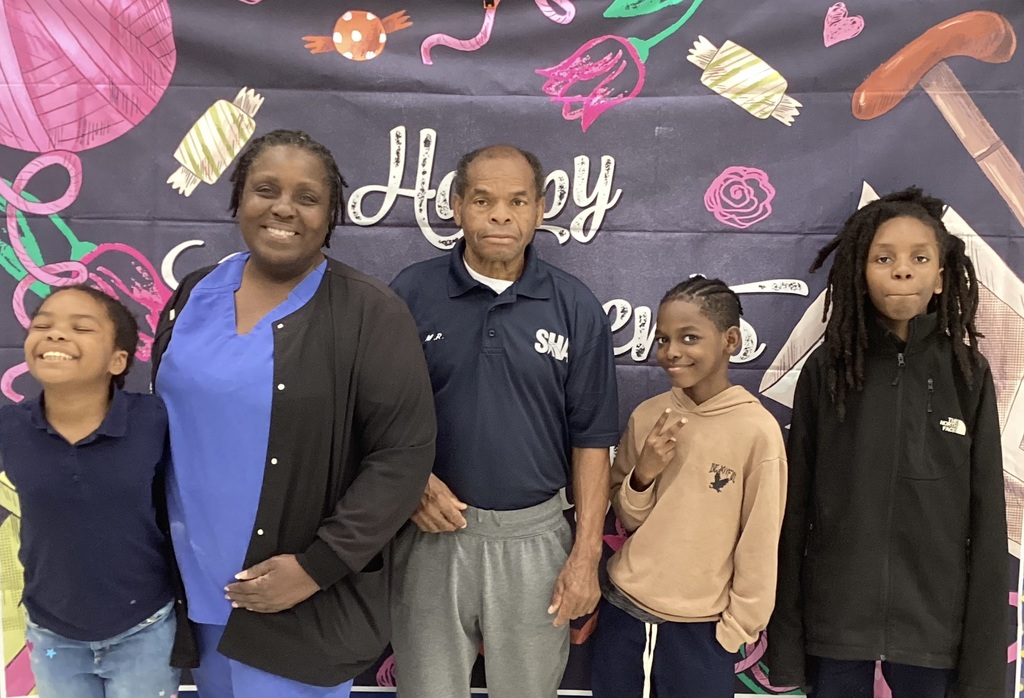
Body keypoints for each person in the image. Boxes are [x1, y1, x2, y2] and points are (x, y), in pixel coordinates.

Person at [151, 129, 436, 697]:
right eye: (265, 189)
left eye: (307, 198)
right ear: (238, 200)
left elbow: (402, 456)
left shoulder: (368, 313)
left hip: (295, 602)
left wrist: (316, 567)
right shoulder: (192, 292)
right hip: (193, 587)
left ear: (331, 216)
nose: (284, 208)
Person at [389, 144, 619, 698]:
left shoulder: (574, 305)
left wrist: (586, 555)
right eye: (483, 199)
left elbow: (592, 442)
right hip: (430, 536)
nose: (500, 214)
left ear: (540, 210)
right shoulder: (410, 295)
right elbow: (375, 418)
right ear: (456, 205)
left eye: (517, 200)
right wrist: (412, 483)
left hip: (535, 542)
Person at [765, 187, 1007, 698]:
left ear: (941, 277)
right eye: (884, 258)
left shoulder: (968, 376)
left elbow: (988, 522)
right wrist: (787, 643)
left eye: (920, 258)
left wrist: (983, 671)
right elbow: (793, 510)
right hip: (835, 626)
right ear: (861, 271)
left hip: (934, 627)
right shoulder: (828, 370)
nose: (902, 270)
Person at [590, 276, 788, 698]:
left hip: (702, 633)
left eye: (690, 337)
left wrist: (736, 630)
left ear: (730, 339)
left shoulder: (757, 431)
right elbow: (628, 517)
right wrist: (643, 474)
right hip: (624, 616)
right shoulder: (649, 415)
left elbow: (760, 539)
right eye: (663, 339)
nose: (672, 352)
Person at [0, 285, 187, 698]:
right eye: (43, 325)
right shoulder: (9, 428)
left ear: (118, 360)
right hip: (52, 634)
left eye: (81, 327)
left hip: (144, 630)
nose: (55, 334)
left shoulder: (154, 421)